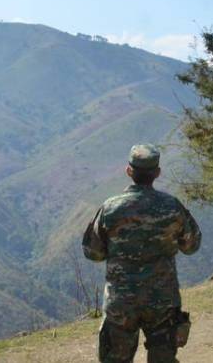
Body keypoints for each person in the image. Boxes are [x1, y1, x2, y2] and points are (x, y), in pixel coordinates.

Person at [83, 144, 201, 362]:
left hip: (121, 303)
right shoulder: (172, 206)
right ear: (157, 173)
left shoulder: (110, 208)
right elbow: (191, 246)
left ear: (129, 171)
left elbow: (93, 252)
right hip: (162, 301)